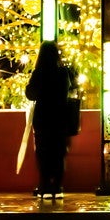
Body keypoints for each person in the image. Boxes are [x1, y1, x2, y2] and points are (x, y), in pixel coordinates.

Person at [24, 41, 79, 198]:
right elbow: (70, 89)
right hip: (60, 117)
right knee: (58, 152)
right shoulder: (63, 73)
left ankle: (44, 184)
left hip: (43, 117)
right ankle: (57, 186)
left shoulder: (38, 73)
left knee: (43, 152)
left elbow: (31, 94)